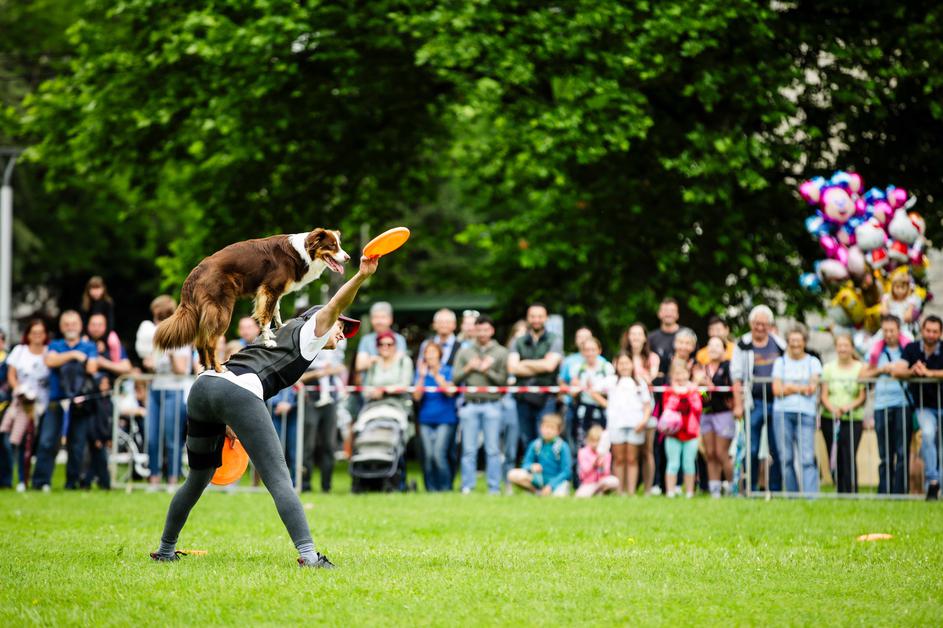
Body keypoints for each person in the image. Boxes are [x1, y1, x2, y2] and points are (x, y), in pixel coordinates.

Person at [151, 254, 376, 568]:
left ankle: (165, 550)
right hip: (236, 391)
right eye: (340, 326)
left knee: (198, 477)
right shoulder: (310, 331)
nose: (341, 333)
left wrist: (227, 420)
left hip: (204, 387)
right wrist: (362, 275)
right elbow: (337, 303)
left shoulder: (277, 335)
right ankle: (310, 557)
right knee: (279, 478)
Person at [32, 311, 99, 491]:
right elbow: (50, 361)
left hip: (79, 403)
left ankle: (72, 483)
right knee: (47, 442)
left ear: (80, 326)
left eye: (74, 323)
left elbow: (92, 367)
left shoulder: (89, 346)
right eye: (67, 324)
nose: (71, 327)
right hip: (56, 402)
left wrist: (67, 357)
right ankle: (40, 482)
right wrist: (74, 355)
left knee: (77, 445)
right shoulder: (55, 344)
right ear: (62, 327)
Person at [732, 304, 786, 493]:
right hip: (753, 402)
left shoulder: (779, 344)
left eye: (764, 324)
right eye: (757, 323)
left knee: (776, 447)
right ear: (751, 323)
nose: (760, 327)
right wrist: (738, 405)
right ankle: (751, 487)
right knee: (752, 448)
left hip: (776, 402)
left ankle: (776, 489)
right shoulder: (742, 344)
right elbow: (736, 377)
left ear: (769, 325)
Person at [142, 297, 194, 491]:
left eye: (159, 317)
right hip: (155, 390)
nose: (156, 322)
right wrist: (149, 363)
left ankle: (172, 478)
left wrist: (170, 353)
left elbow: (181, 370)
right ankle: (154, 478)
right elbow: (151, 365)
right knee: (152, 437)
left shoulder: (181, 338)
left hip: (174, 390)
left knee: (172, 438)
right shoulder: (154, 338)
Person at [454, 315, 509, 495]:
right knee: (468, 450)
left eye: (486, 330)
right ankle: (467, 487)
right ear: (474, 331)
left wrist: (488, 370)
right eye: (479, 330)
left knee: (492, 449)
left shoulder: (501, 352)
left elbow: (503, 382)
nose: (483, 333)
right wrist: (469, 368)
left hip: (492, 404)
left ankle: (494, 488)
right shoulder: (465, 351)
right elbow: (455, 378)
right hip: (470, 405)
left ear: (492, 331)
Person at [892, 314, 943, 500]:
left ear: (940, 333)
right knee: (927, 435)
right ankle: (933, 482)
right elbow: (897, 371)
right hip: (924, 406)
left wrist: (930, 373)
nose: (931, 335)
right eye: (928, 330)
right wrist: (912, 371)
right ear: (922, 330)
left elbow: (932, 373)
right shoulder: (912, 349)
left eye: (935, 331)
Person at [861, 315, 910, 494]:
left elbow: (914, 370)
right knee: (885, 453)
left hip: (902, 404)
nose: (888, 334)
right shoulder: (875, 352)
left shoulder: (907, 350)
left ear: (899, 331)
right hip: (881, 405)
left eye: (892, 330)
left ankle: (900, 491)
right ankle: (885, 490)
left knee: (902, 452)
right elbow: (863, 375)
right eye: (885, 331)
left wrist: (898, 370)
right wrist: (881, 369)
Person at [590, 352, 651, 495]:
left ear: (632, 364)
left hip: (635, 424)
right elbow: (593, 391)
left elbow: (647, 404)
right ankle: (620, 491)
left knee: (632, 459)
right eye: (621, 363)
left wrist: (644, 420)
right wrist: (606, 404)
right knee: (618, 459)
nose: (624, 366)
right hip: (616, 424)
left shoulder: (639, 382)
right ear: (616, 365)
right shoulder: (611, 380)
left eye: (627, 363)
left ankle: (631, 491)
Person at [771, 327, 823, 495]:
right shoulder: (780, 362)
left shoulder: (813, 362)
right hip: (782, 413)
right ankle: (792, 495)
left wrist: (789, 387)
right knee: (785, 458)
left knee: (807, 458)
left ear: (804, 342)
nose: (795, 344)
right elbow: (776, 389)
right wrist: (800, 387)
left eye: (798, 340)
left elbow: (812, 388)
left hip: (806, 413)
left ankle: (811, 496)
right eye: (791, 341)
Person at [83, 313, 132, 489]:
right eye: (93, 324)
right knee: (91, 441)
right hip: (87, 401)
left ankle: (95, 480)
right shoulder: (83, 343)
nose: (96, 328)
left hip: (105, 401)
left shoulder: (113, 345)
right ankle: (91, 479)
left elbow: (126, 367)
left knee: (100, 441)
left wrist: (102, 362)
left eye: (100, 324)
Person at [0, 319, 50, 491]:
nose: (37, 336)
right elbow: (11, 375)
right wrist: (20, 391)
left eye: (40, 333)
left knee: (43, 442)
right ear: (28, 335)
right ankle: (22, 479)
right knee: (22, 441)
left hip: (44, 404)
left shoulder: (49, 352)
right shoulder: (19, 351)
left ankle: (41, 480)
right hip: (23, 403)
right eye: (33, 332)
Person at [508, 303, 563, 449]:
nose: (536, 320)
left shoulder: (555, 339)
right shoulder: (518, 341)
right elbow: (512, 367)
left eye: (540, 316)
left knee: (546, 437)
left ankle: (544, 465)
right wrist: (541, 364)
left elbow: (550, 366)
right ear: (528, 318)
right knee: (526, 440)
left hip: (546, 398)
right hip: (523, 397)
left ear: (546, 318)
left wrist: (524, 363)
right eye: (533, 316)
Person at [820, 332, 866, 493]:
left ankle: (851, 490)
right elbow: (824, 395)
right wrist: (833, 409)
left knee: (849, 454)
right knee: (835, 454)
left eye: (846, 345)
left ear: (852, 348)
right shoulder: (828, 368)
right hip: (830, 417)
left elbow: (862, 396)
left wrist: (847, 407)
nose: (843, 349)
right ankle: (839, 489)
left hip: (853, 417)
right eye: (840, 345)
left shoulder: (860, 368)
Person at [298, 343, 345, 493]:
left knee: (329, 445)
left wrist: (333, 370)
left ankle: (327, 486)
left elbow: (341, 368)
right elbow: (298, 378)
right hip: (311, 401)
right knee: (308, 446)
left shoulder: (335, 351)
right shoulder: (308, 349)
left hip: (330, 402)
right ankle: (305, 485)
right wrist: (319, 373)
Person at [621, 323, 659, 494]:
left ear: (645, 338)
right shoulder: (622, 357)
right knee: (626, 451)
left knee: (647, 450)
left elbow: (650, 378)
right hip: (625, 408)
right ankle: (626, 489)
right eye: (633, 334)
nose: (636, 337)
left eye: (639, 334)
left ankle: (648, 489)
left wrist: (637, 377)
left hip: (646, 406)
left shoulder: (652, 358)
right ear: (628, 337)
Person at [413, 342, 457, 492]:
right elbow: (416, 397)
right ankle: (430, 488)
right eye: (427, 352)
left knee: (439, 454)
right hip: (425, 419)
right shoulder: (421, 373)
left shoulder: (448, 370)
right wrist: (421, 376)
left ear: (440, 354)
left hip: (445, 419)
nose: (430, 355)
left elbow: (449, 392)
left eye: (433, 352)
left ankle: (445, 487)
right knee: (428, 455)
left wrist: (437, 374)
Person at [660, 359, 703, 498]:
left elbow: (698, 407)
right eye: (677, 373)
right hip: (673, 434)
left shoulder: (695, 390)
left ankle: (689, 492)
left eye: (683, 373)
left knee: (689, 463)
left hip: (691, 433)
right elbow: (667, 408)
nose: (680, 377)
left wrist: (692, 391)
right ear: (672, 375)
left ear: (688, 373)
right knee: (673, 463)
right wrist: (678, 394)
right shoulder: (668, 391)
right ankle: (670, 491)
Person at [698, 336, 735, 498]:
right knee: (710, 453)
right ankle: (714, 489)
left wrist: (713, 387)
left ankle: (733, 487)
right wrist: (703, 389)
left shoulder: (729, 367)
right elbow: (704, 396)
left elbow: (732, 390)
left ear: (724, 350)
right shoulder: (704, 369)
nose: (713, 349)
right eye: (710, 345)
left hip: (724, 413)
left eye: (717, 346)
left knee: (722, 452)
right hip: (707, 414)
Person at [507, 413, 572, 496]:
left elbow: (566, 472)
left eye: (552, 428)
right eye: (545, 427)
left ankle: (548, 492)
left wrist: (551, 486)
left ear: (558, 431)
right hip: (539, 479)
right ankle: (537, 492)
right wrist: (531, 466)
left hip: (556, 480)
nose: (548, 431)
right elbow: (525, 464)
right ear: (540, 428)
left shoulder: (562, 446)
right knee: (512, 474)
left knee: (558, 496)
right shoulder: (535, 444)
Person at [567, 337, 614, 445]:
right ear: (583, 352)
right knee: (583, 442)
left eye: (593, 350)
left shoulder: (606, 368)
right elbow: (572, 393)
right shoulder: (577, 369)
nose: (590, 353)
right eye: (587, 350)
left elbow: (611, 391)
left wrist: (594, 390)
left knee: (602, 442)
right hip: (583, 410)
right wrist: (577, 387)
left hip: (602, 409)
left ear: (599, 350)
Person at [500, 320, 527, 491]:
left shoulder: (531, 354)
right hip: (507, 402)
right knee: (508, 445)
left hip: (526, 401)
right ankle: (507, 482)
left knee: (525, 442)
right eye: (518, 334)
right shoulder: (504, 355)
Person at [363, 330, 414, 414]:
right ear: (377, 347)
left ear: (395, 346)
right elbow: (366, 389)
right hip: (375, 405)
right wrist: (372, 393)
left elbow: (405, 385)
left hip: (398, 406)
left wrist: (383, 390)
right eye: (381, 344)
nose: (385, 347)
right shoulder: (374, 363)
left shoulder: (404, 361)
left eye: (389, 344)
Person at [354, 301, 407, 376]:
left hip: (393, 382)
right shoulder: (366, 340)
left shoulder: (399, 339)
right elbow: (359, 365)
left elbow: (400, 362)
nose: (379, 321)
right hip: (369, 382)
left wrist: (373, 359)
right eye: (376, 317)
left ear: (390, 319)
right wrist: (385, 359)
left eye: (383, 317)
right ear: (371, 319)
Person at [574, 425, 619, 497]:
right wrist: (594, 463)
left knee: (614, 481)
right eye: (592, 441)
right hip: (588, 482)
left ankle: (601, 491)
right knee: (580, 496)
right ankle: (595, 492)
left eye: (597, 441)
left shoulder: (607, 454)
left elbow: (607, 472)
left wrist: (602, 466)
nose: (594, 444)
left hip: (601, 482)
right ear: (587, 440)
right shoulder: (582, 452)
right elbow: (584, 471)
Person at [880, 269, 921, 338]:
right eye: (897, 287)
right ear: (893, 287)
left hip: (903, 327)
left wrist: (910, 309)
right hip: (889, 325)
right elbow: (883, 311)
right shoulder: (887, 298)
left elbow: (907, 317)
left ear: (907, 288)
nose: (900, 290)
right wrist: (884, 305)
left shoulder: (910, 300)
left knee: (908, 338)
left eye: (902, 287)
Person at [648, 298, 681, 374]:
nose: (669, 314)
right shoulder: (651, 338)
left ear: (677, 315)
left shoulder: (687, 335)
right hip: (656, 380)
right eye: (665, 310)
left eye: (672, 311)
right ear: (659, 314)